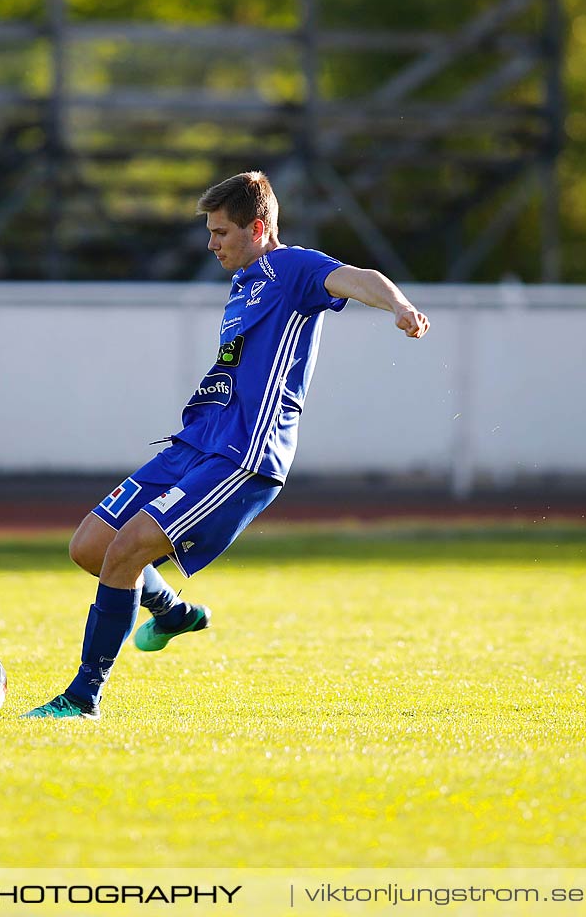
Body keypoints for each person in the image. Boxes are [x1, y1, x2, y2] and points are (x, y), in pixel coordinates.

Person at [23, 170, 429, 719]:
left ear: (258, 227)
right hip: (196, 442)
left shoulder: (291, 268)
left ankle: (82, 699)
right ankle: (169, 611)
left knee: (125, 553)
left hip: (244, 454)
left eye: (220, 232)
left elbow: (360, 278)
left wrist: (400, 308)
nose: (211, 243)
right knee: (90, 546)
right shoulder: (243, 282)